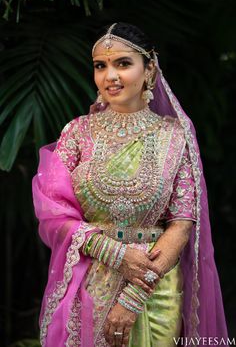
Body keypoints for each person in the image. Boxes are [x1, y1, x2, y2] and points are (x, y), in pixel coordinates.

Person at [32, 22, 228, 347]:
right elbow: (54, 212)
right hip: (90, 282)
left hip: (155, 290)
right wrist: (114, 252)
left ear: (149, 68)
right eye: (101, 66)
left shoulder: (175, 137)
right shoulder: (77, 133)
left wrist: (134, 295)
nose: (110, 76)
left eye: (123, 63)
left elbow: (181, 225)